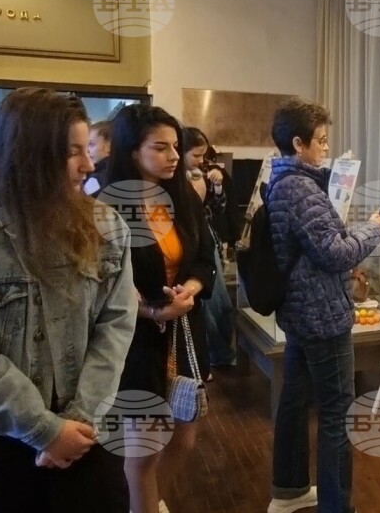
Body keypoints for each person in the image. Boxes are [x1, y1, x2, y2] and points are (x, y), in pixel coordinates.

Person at [0, 87, 136, 512]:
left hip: (89, 437)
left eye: (86, 149)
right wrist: (44, 430)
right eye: (72, 152)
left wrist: (78, 422)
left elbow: (116, 326)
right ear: (26, 154)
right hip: (3, 442)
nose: (88, 165)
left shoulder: (108, 227)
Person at [267, 99, 380, 513]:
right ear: (298, 143)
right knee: (337, 413)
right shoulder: (301, 188)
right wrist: (373, 229)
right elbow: (335, 253)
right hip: (322, 316)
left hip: (301, 313)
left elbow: (319, 246)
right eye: (320, 140)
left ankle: (289, 491)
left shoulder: (283, 181)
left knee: (294, 399)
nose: (326, 147)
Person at [103, 105, 216, 513]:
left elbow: (205, 258)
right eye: (160, 147)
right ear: (132, 151)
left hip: (184, 331)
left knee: (185, 436)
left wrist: (189, 289)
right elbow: (104, 286)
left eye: (175, 146)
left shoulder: (182, 198)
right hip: (135, 340)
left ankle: (154, 502)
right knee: (143, 448)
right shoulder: (108, 207)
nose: (173, 156)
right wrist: (152, 312)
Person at [182, 126, 237, 367]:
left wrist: (217, 187)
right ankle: (215, 355)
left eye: (203, 154)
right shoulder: (173, 180)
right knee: (205, 304)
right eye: (196, 155)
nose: (201, 160)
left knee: (220, 303)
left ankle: (221, 354)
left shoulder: (203, 172)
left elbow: (218, 208)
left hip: (208, 241)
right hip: (190, 246)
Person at [83, 120, 112, 195]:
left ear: (108, 147)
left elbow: (78, 200)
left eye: (91, 144)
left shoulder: (96, 179)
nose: (87, 150)